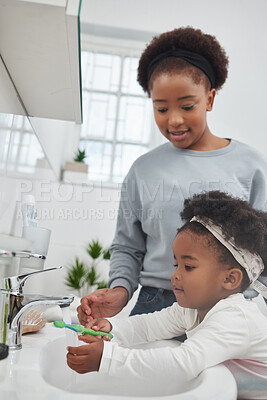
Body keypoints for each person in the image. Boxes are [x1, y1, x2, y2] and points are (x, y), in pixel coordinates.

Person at [77, 27, 267, 325]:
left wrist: (252, 307)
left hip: (228, 310)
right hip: (156, 304)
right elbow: (128, 246)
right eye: (161, 108)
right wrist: (120, 289)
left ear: (210, 99)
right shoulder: (143, 170)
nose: (174, 120)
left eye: (187, 106)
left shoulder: (252, 166)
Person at [68, 191, 267, 400]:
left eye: (188, 266)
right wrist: (111, 327)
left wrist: (108, 358)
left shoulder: (235, 318)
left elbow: (182, 364)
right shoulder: (192, 308)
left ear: (230, 279)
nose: (175, 275)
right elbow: (148, 326)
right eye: (176, 264)